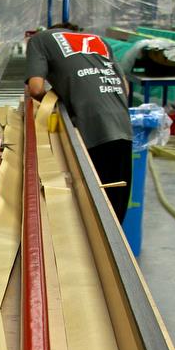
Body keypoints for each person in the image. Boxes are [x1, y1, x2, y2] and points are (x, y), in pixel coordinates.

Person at [26, 23, 132, 223]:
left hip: (91, 123)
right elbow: (124, 87)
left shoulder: (39, 39)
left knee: (93, 205)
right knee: (115, 206)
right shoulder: (99, 40)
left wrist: (58, 101)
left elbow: (35, 88)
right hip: (122, 122)